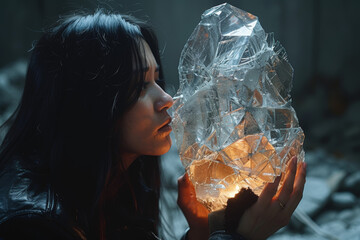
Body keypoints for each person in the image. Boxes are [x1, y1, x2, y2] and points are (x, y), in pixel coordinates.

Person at [0, 10, 306, 240]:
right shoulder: (34, 226)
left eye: (156, 79)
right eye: (138, 86)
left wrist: (200, 233)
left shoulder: (113, 185)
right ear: (86, 103)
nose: (167, 99)